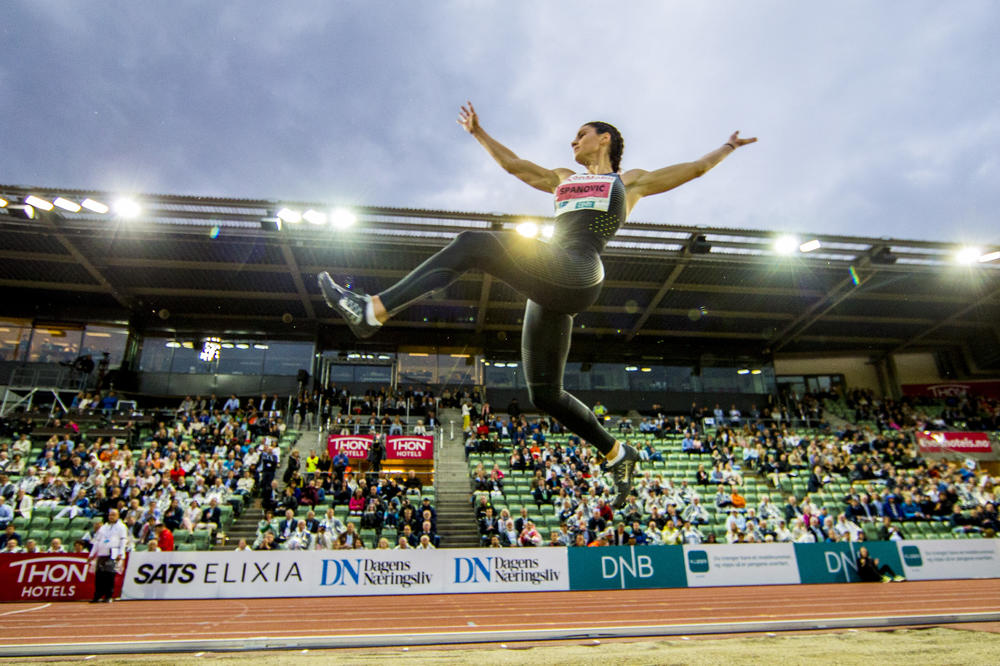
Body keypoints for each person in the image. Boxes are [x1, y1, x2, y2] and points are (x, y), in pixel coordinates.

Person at [318, 102, 755, 508]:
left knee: (473, 244)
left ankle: (373, 309)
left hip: (581, 268)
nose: (572, 141)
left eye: (581, 134)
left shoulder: (630, 182)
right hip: (553, 277)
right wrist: (478, 133)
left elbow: (696, 169)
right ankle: (618, 452)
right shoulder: (562, 178)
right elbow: (514, 166)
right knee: (544, 394)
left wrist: (729, 147)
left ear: (605, 139)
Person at [87, 508, 129, 603]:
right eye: (110, 515)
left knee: (109, 575)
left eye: (114, 515)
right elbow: (97, 541)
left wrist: (121, 553)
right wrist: (92, 554)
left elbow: (123, 540)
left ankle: (108, 595)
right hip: (102, 553)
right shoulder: (104, 527)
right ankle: (97, 595)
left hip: (112, 553)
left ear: (118, 516)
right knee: (99, 576)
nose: (111, 517)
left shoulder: (121, 527)